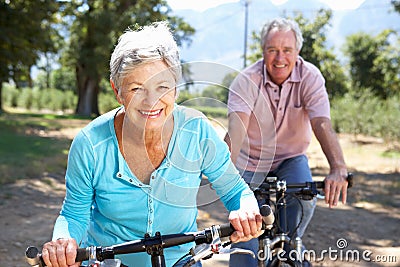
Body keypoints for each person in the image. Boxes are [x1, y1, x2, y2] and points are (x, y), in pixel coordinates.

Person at [41, 21, 264, 267]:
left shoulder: (197, 131)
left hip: (180, 260)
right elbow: (74, 213)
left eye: (162, 87)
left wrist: (245, 208)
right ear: (118, 91)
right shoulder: (90, 144)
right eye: (137, 88)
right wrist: (64, 242)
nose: (151, 101)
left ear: (176, 89)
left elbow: (236, 191)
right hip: (110, 262)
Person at [224, 18, 349, 266]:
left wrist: (337, 168)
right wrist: (224, 174)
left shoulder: (310, 77)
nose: (279, 58)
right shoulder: (246, 80)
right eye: (272, 50)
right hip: (250, 161)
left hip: (291, 159)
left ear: (297, 52)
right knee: (245, 237)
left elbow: (321, 123)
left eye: (287, 50)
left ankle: (289, 250)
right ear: (263, 52)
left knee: (301, 208)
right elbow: (235, 132)